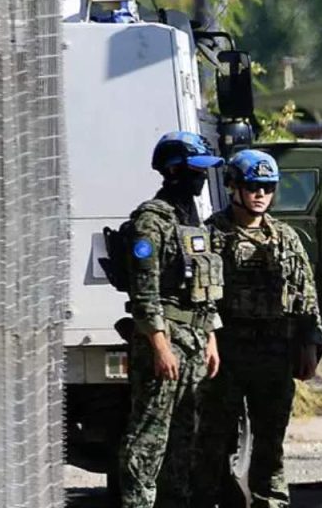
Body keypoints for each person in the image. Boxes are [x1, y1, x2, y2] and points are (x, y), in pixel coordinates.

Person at [192, 149, 322, 508]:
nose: (260, 194)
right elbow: (198, 298)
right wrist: (208, 339)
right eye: (252, 186)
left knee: (271, 442)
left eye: (267, 187)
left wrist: (309, 344)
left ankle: (271, 502)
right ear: (233, 187)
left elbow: (305, 295)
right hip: (226, 354)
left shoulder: (285, 237)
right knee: (213, 441)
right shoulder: (211, 235)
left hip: (274, 352)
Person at [118, 131, 225, 508]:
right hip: (165, 341)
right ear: (174, 171)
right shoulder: (151, 222)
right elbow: (144, 293)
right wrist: (160, 346)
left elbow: (204, 289)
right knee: (149, 436)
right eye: (195, 171)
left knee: (184, 438)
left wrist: (210, 336)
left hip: (193, 340)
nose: (201, 179)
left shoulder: (191, 221)